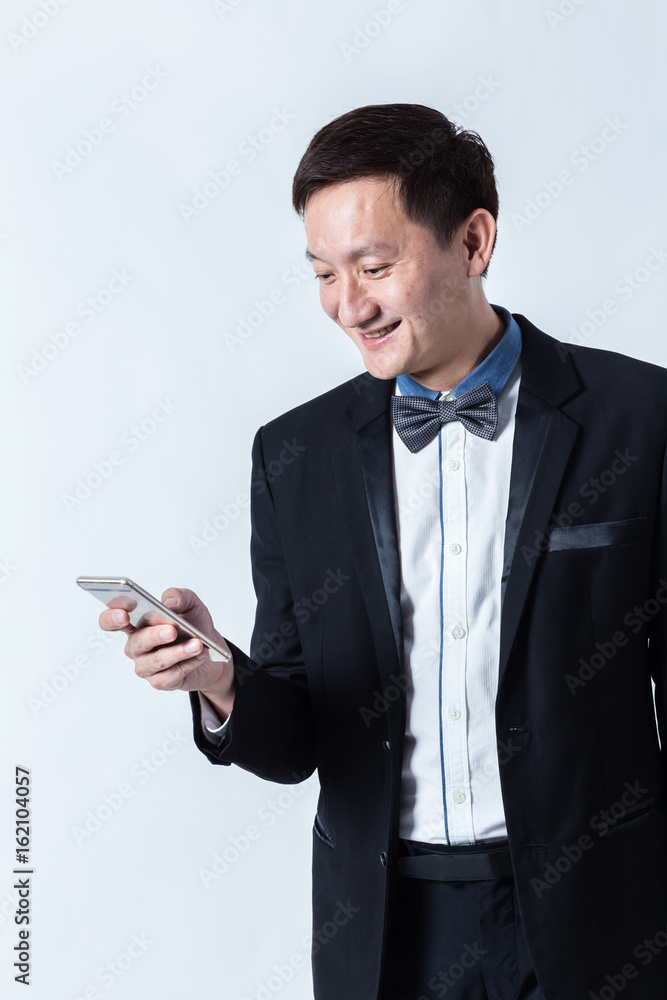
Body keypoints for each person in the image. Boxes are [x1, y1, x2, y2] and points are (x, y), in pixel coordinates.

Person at [98, 104, 667, 1000]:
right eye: (323, 272)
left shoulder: (639, 418)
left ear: (473, 241)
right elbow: (297, 744)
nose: (347, 304)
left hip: (602, 923)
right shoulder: (295, 456)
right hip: (384, 934)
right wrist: (221, 681)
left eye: (374, 265)